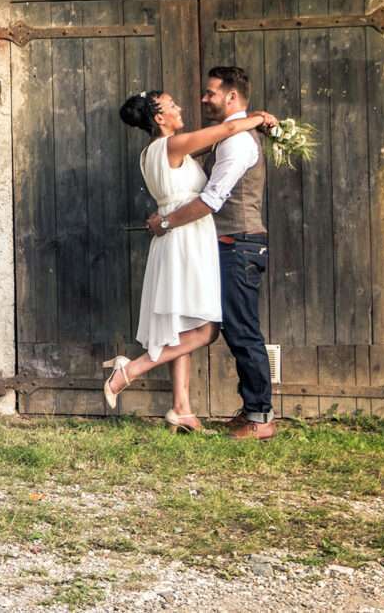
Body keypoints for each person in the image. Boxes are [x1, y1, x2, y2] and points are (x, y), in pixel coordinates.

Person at [105, 89, 275, 433]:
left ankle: (181, 408)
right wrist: (259, 118)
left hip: (175, 235)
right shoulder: (173, 144)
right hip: (186, 236)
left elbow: (211, 147)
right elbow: (226, 131)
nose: (180, 108)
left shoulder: (150, 153)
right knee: (206, 329)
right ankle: (129, 370)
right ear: (159, 118)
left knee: (180, 325)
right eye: (172, 105)